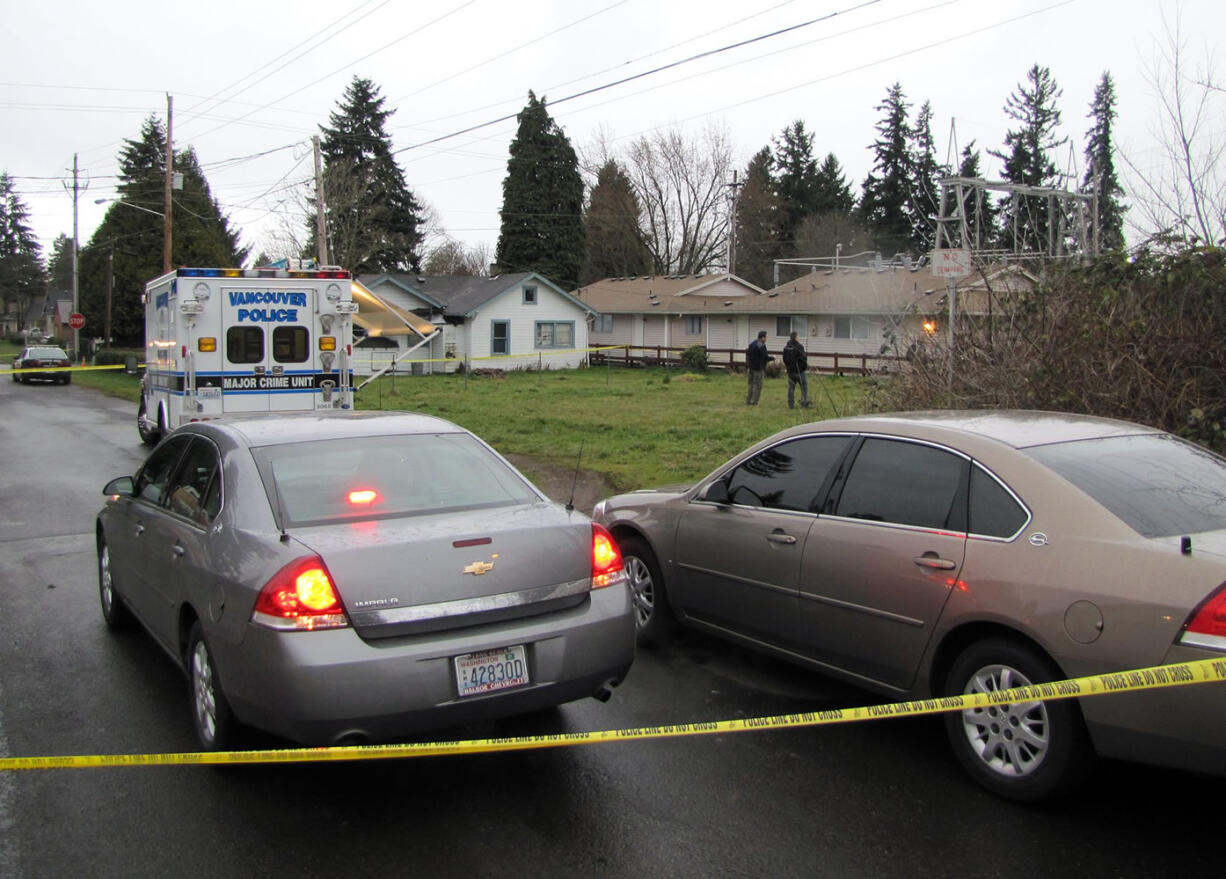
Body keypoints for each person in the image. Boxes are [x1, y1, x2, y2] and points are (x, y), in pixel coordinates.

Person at [782, 330, 810, 409]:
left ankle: (791, 404)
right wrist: (804, 367)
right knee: (804, 386)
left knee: (791, 388)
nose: (799, 338)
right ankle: (805, 402)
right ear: (795, 337)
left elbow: (784, 359)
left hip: (790, 371)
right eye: (798, 336)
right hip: (800, 371)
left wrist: (788, 367)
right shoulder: (799, 346)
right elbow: (804, 358)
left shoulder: (786, 348)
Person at [745, 330, 773, 405]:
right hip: (758, 368)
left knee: (751, 384)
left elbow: (749, 355)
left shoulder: (752, 344)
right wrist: (773, 358)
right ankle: (755, 401)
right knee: (758, 385)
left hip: (751, 367)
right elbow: (765, 357)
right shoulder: (761, 345)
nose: (767, 339)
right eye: (766, 337)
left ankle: (748, 400)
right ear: (762, 337)